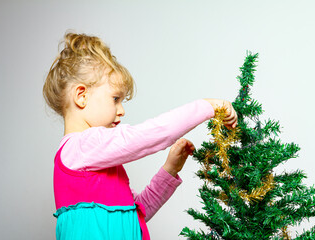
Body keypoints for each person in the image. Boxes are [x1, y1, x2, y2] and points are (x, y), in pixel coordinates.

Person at [43, 32, 238, 240]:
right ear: (81, 96)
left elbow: (137, 214)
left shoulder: (95, 159)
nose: (121, 110)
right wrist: (207, 106)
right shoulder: (81, 147)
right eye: (115, 99)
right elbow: (148, 135)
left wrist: (170, 170)